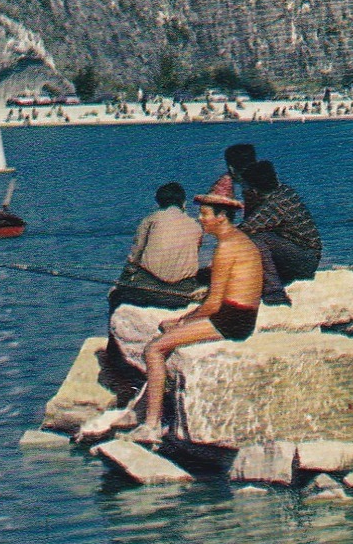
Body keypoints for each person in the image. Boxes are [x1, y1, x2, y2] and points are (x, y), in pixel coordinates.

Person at [127, 176, 264, 447]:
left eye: (205, 214)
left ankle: (151, 425)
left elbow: (213, 305)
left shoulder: (225, 248)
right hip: (242, 316)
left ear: (222, 217)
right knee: (165, 343)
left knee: (154, 349)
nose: (200, 219)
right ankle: (155, 415)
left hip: (231, 320)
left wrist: (180, 321)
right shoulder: (240, 240)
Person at [109, 182, 206, 311]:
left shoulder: (151, 219)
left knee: (115, 296)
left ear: (158, 203)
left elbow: (134, 257)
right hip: (183, 292)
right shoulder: (196, 226)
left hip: (150, 290)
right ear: (184, 203)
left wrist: (122, 282)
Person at [238, 159, 321, 305]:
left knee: (256, 240)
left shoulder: (274, 205)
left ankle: (274, 293)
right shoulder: (285, 191)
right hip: (304, 256)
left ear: (254, 190)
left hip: (305, 260)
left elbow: (241, 233)